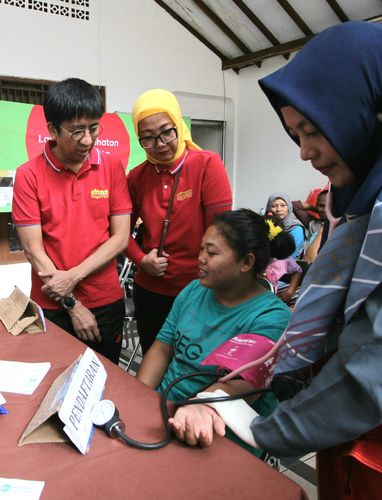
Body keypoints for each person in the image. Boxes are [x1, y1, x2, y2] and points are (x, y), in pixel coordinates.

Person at [173, 21, 382, 498]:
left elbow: (371, 376)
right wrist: (223, 392)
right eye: (295, 135)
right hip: (345, 440)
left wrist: (261, 428)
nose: (306, 152)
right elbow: (308, 333)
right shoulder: (352, 208)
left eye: (312, 130)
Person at [137, 209, 291, 455]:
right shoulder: (193, 290)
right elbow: (162, 348)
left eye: (212, 252)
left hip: (218, 430)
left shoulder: (272, 318)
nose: (200, 258)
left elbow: (240, 386)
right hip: (165, 408)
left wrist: (195, 407)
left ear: (246, 262)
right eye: (201, 249)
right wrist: (139, 398)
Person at [12, 78, 132, 363]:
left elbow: (120, 238)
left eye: (94, 128)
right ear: (53, 129)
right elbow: (34, 251)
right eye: (77, 131)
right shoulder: (29, 175)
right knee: (55, 387)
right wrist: (72, 303)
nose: (88, 140)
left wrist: (74, 276)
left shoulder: (111, 167)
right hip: (54, 304)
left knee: (107, 379)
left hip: (105, 299)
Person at [125, 89, 232, 355]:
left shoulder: (207, 164)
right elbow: (119, 234)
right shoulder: (137, 177)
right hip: (150, 291)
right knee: (153, 359)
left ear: (178, 124)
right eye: (147, 138)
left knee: (194, 364)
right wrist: (141, 260)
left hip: (199, 289)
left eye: (166, 131)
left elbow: (220, 233)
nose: (160, 143)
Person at [264, 192, 304, 260]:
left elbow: (289, 258)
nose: (278, 209)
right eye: (274, 206)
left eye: (283, 205)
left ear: (289, 207)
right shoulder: (265, 224)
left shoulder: (296, 229)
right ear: (268, 209)